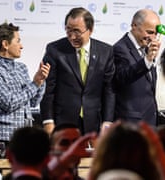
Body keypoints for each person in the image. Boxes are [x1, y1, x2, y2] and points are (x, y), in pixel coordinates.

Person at [40, 7, 115, 135]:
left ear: (90, 30)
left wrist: (107, 121)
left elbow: (109, 90)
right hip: (63, 123)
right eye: (68, 30)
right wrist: (48, 120)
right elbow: (47, 89)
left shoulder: (105, 51)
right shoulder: (55, 50)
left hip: (94, 122)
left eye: (77, 31)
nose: (72, 36)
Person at [0, 23, 50, 155]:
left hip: (22, 140)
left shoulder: (21, 68)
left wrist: (41, 81)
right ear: (5, 44)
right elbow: (9, 103)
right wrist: (34, 84)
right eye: (18, 41)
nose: (21, 46)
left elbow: (33, 102)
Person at [113, 9, 161, 126]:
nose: (153, 37)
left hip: (149, 120)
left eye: (155, 33)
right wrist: (148, 60)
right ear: (134, 26)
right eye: (149, 32)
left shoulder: (146, 49)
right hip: (131, 123)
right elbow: (122, 78)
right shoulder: (120, 48)